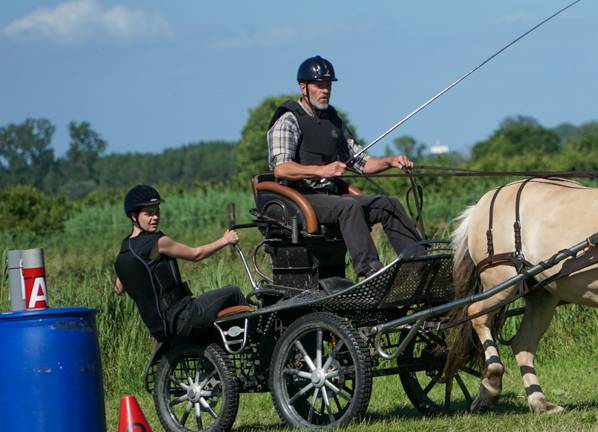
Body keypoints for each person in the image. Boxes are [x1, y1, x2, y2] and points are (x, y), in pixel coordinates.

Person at [266, 55, 425, 279]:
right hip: (302, 198)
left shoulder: (334, 121)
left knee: (388, 204)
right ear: (303, 87)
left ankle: (419, 264)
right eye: (319, 85)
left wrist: (390, 161)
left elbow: (361, 162)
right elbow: (281, 169)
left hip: (332, 198)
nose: (325, 91)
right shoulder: (289, 120)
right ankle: (371, 272)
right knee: (348, 206)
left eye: (328, 86)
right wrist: (322, 171)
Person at [114, 185, 247, 344]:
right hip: (183, 318)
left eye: (157, 211)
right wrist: (225, 240)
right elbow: (196, 255)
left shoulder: (125, 249)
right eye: (149, 213)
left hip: (160, 329)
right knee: (234, 292)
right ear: (134, 216)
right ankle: (257, 346)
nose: (155, 217)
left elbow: (119, 288)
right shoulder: (157, 242)